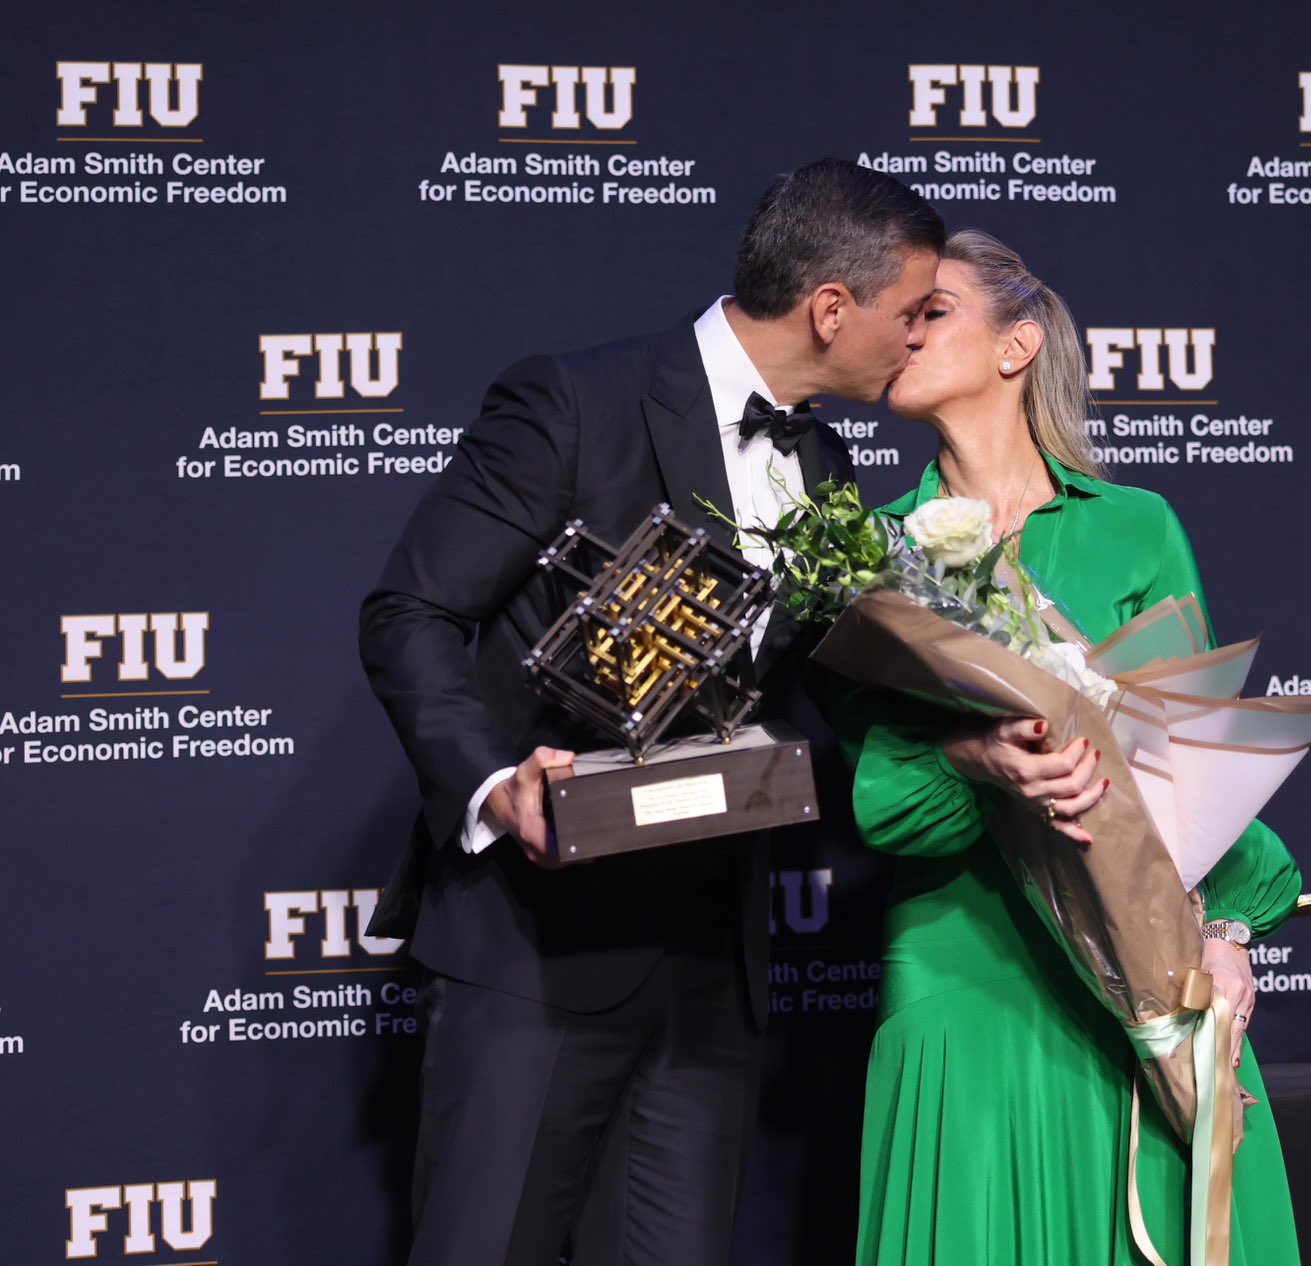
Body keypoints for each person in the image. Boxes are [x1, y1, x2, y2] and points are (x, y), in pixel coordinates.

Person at [357, 159, 942, 1266]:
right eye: (909, 313)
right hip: (537, 944)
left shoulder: (823, 460)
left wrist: (984, 726)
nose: (915, 339)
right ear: (830, 308)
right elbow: (409, 613)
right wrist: (493, 786)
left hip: (709, 961)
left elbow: (830, 677)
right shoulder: (574, 401)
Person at [830, 229, 1304, 1265]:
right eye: (896, 314)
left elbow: (1195, 760)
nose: (903, 331)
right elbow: (871, 795)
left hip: (1138, 961)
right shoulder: (871, 553)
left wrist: (1224, 934)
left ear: (1018, 345)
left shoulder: (1134, 528)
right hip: (960, 956)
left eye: (933, 310)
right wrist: (976, 762)